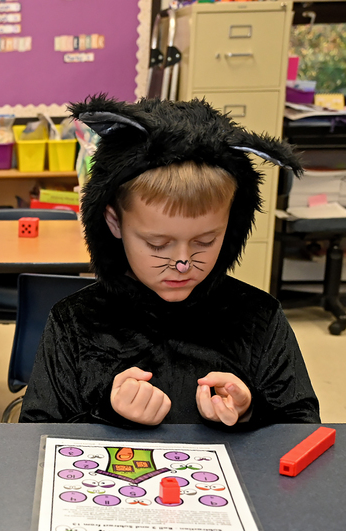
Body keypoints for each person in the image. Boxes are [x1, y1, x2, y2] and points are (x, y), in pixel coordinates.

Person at [20, 95, 319, 428]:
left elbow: (304, 427)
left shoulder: (259, 319)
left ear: (230, 225)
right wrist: (106, 414)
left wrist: (250, 412)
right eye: (157, 244)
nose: (182, 263)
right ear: (114, 222)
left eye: (205, 242)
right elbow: (36, 436)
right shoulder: (73, 323)